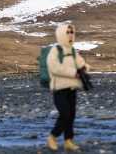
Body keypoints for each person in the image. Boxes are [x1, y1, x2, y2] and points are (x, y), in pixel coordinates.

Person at [47, 23, 90, 151]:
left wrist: (84, 68)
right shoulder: (56, 50)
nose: (70, 35)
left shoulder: (72, 50)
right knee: (65, 114)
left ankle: (68, 141)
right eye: (68, 32)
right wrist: (73, 73)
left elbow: (82, 64)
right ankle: (52, 137)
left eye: (72, 32)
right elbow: (54, 68)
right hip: (59, 88)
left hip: (72, 87)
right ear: (61, 34)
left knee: (71, 115)